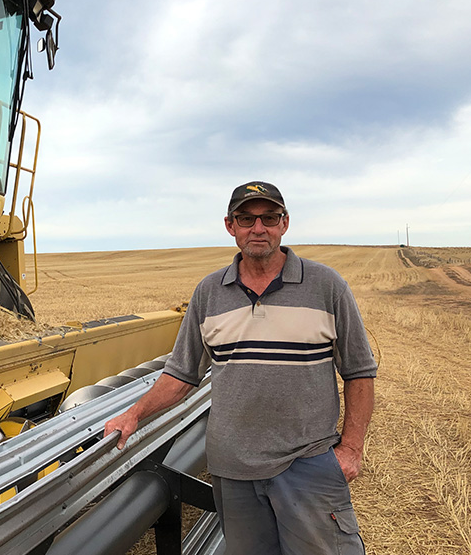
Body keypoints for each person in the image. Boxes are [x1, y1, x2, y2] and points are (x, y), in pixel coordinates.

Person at [104, 181, 376, 555]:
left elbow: (359, 371)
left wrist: (351, 449)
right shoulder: (209, 293)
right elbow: (182, 374)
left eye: (269, 218)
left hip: (308, 464)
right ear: (231, 226)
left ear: (285, 223)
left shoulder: (326, 287)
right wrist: (133, 414)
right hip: (233, 472)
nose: (258, 228)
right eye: (246, 219)